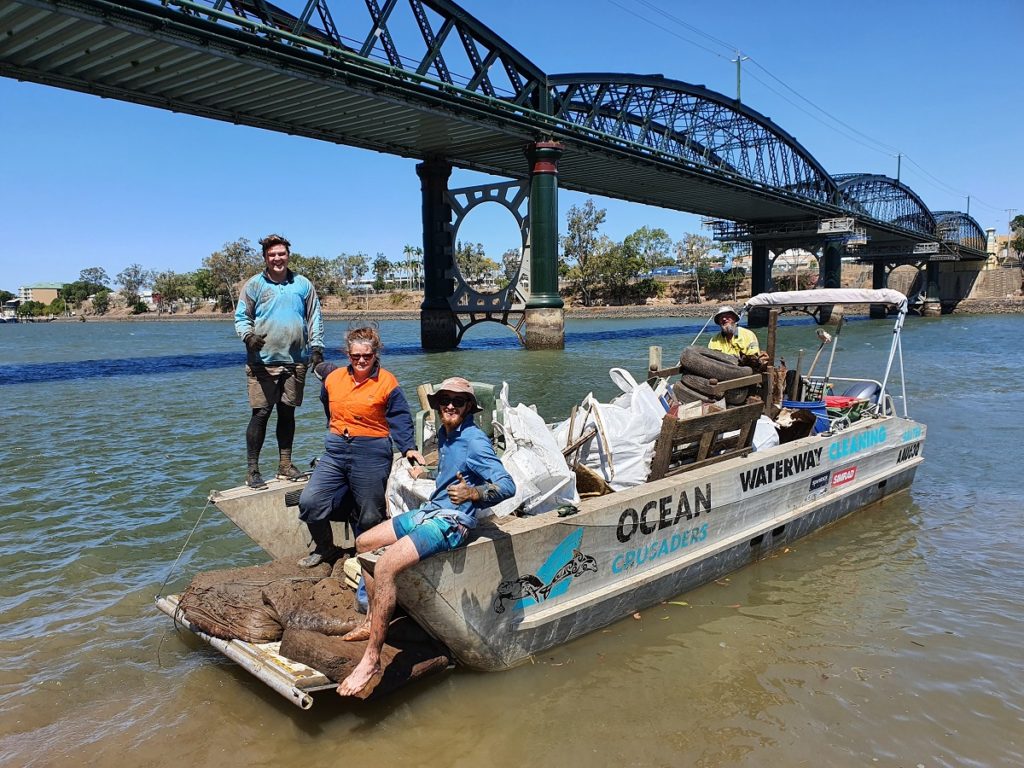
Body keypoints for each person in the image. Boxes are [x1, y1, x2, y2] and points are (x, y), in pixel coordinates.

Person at [336, 377, 515, 696]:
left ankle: (372, 659)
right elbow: (451, 471)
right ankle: (371, 616)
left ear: (469, 408)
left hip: (452, 521)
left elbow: (507, 484)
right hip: (431, 510)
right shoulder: (446, 435)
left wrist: (474, 492)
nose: (449, 405)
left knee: (387, 566)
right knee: (364, 543)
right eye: (444, 399)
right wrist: (428, 473)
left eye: (457, 401)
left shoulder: (475, 440)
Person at [296, 325, 426, 581]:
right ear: (348, 355)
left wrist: (408, 447)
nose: (361, 361)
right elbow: (328, 405)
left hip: (372, 451)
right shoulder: (333, 379)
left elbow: (400, 418)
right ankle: (325, 548)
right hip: (335, 451)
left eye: (367, 355)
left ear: (375, 353)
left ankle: (363, 555)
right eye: (356, 356)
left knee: (370, 513)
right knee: (310, 501)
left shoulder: (387, 382)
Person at [235, 234, 324, 489]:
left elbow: (314, 316)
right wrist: (248, 337)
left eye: (281, 254)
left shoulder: (303, 284)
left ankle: (285, 465)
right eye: (272, 255)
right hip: (262, 362)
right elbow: (241, 317)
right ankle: (252, 470)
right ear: (265, 257)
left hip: (296, 361)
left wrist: (316, 347)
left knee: (287, 413)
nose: (277, 259)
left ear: (288, 255)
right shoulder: (254, 285)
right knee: (261, 413)